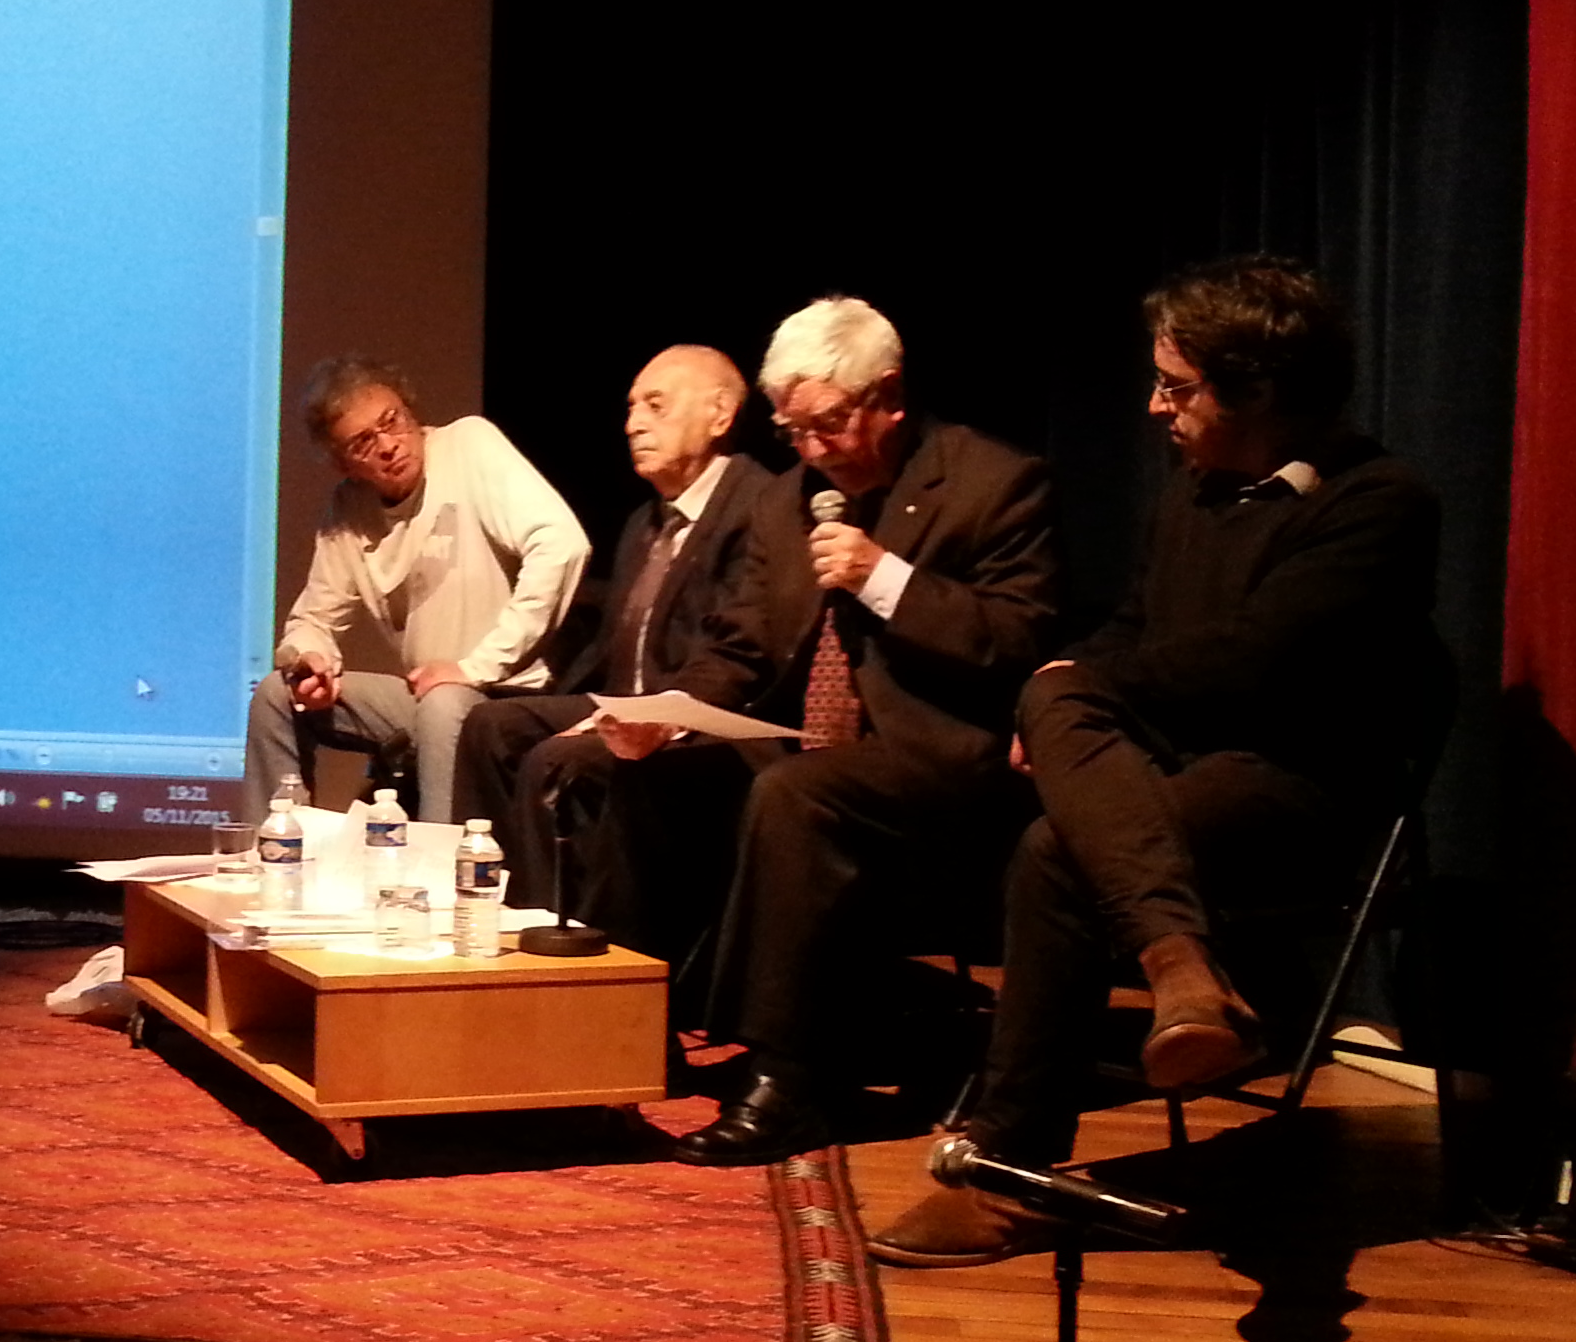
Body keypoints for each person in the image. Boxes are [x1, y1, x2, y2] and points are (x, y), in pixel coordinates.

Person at [868, 258, 1442, 1263]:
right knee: (1057, 702)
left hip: (1299, 790)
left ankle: (1010, 1163)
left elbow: (1258, 665)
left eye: (1176, 386)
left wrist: (1071, 692)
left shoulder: (1380, 502)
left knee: (1056, 849)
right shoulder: (1194, 492)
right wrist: (1068, 687)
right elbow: (1132, 629)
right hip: (1170, 773)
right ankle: (1180, 976)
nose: (1152, 407)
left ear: (1256, 389)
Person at [668, 296, 1061, 1166]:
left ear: (888, 395)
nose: (812, 448)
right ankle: (631, 1033)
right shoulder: (787, 499)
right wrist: (665, 717)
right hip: (807, 744)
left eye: (829, 424)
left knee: (796, 796)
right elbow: (740, 644)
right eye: (792, 429)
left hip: (944, 753)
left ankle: (785, 1081)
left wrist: (885, 578)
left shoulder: (993, 482)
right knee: (624, 769)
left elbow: (1017, 641)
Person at [447, 345, 782, 920]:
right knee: (490, 725)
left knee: (557, 759)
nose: (633, 424)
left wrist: (653, 717)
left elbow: (738, 653)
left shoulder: (759, 507)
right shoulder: (643, 522)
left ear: (720, 415)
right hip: (626, 700)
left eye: (656, 405)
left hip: (708, 720)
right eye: (631, 408)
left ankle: (555, 934)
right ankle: (494, 914)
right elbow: (607, 653)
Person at [244, 358, 588, 822]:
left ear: (410, 410)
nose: (388, 446)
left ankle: (440, 860)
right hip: (427, 698)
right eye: (363, 442)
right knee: (277, 695)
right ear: (343, 463)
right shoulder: (349, 508)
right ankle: (275, 847)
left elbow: (562, 544)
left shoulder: (468, 445)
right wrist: (311, 661)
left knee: (444, 704)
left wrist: (475, 668)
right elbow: (313, 619)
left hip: (508, 697)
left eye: (392, 421)